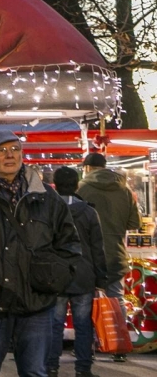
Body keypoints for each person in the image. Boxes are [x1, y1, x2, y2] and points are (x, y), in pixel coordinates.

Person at [0, 130, 81, 377]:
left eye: (15, 149)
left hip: (36, 301)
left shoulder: (47, 197)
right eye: (2, 150)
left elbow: (69, 243)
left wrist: (58, 276)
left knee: (35, 372)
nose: (9, 155)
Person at [77, 151, 140, 363]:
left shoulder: (82, 189)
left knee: (85, 301)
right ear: (105, 166)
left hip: (87, 255)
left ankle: (87, 349)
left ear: (87, 168)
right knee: (116, 299)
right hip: (115, 254)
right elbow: (134, 224)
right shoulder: (124, 189)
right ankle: (118, 346)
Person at [48, 166, 109, 377]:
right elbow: (97, 248)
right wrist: (101, 278)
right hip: (84, 275)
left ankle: (51, 367)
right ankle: (83, 369)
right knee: (84, 324)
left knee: (54, 324)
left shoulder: (48, 210)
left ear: (55, 184)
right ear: (76, 185)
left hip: (55, 275)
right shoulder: (90, 212)